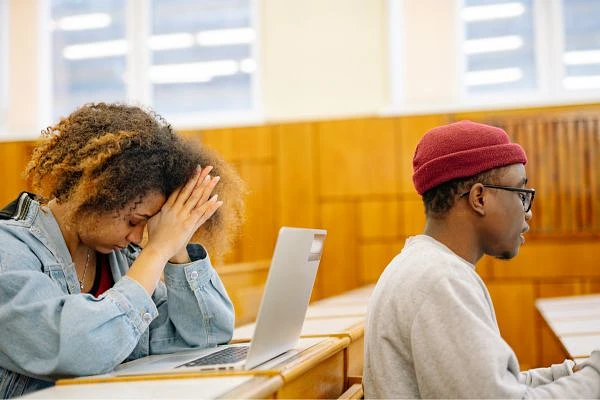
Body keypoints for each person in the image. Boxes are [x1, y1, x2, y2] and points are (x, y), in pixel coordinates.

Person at [0, 103, 246, 398]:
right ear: (93, 193)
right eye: (134, 220)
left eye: (149, 225)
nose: (136, 238)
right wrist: (156, 252)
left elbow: (208, 336)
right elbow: (79, 351)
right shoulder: (9, 250)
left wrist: (176, 245)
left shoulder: (117, 257)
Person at [363, 120, 600, 398]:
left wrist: (572, 374)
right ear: (480, 198)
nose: (528, 213)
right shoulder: (440, 281)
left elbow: (491, 384)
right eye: (522, 194)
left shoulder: (427, 266)